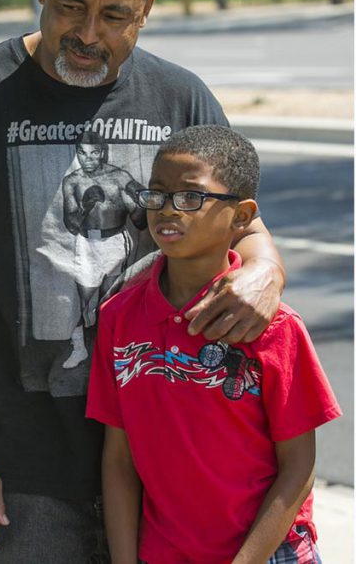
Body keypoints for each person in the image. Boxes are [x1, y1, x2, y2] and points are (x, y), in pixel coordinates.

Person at [0, 0, 287, 559]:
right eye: (71, 5)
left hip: (168, 461)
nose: (86, 33)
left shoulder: (180, 99)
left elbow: (248, 230)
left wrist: (266, 268)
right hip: (18, 480)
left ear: (148, 9)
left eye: (114, 15)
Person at [87, 126, 339, 563]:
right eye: (158, 194)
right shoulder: (118, 318)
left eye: (190, 197)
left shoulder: (276, 326)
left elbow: (298, 468)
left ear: (241, 217)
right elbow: (119, 459)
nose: (168, 210)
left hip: (269, 554)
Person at [61, 130, 146, 368]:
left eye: (93, 153)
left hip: (115, 240)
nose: (87, 159)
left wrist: (137, 202)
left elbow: (141, 220)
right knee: (83, 300)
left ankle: (107, 350)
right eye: (82, 153)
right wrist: (86, 205)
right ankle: (79, 349)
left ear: (102, 152)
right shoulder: (72, 181)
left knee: (111, 298)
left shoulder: (119, 177)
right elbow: (71, 225)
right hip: (86, 243)